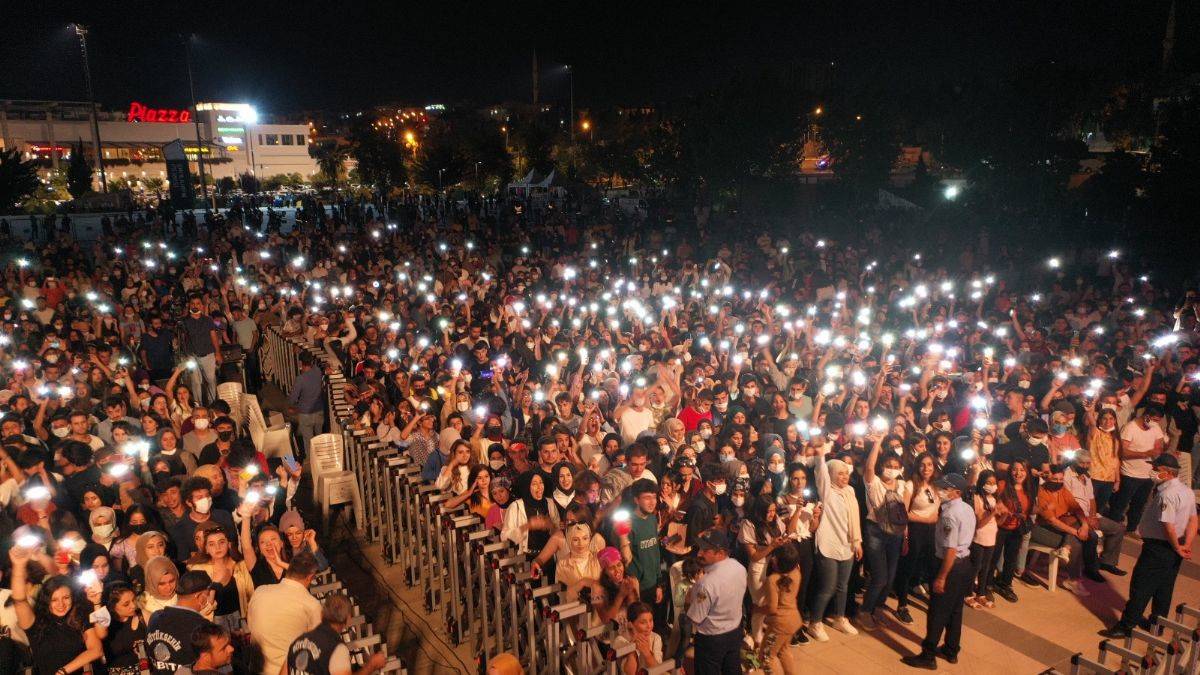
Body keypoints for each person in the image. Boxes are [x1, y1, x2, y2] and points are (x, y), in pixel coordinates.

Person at [1100, 454, 1198, 638]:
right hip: (1175, 546)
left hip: (1159, 547)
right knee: (1164, 587)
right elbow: (1194, 520)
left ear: (1167, 472)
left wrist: (1177, 547)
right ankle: (1157, 624)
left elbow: (1168, 525)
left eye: (1155, 469)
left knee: (1141, 586)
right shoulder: (1187, 491)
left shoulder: (1167, 494)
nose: (1152, 471)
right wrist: (1185, 544)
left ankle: (1126, 626)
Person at [901, 472, 976, 670]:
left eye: (945, 488)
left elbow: (950, 549)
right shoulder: (967, 508)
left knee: (937, 612)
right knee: (955, 610)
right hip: (964, 564)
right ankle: (951, 650)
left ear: (957, 492)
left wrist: (941, 577)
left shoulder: (949, 515)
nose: (940, 490)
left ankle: (928, 656)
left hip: (950, 566)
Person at [9, 544, 104, 675]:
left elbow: (96, 650)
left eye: (66, 598)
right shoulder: (35, 623)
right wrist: (18, 566)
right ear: (46, 600)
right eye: (54, 600)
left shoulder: (78, 617)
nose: (61, 604)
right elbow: (19, 601)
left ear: (73, 597)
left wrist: (63, 671)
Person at [246, 549, 322, 675]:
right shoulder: (311, 605)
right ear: (310, 577)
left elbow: (251, 625)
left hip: (257, 669)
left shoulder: (260, 591)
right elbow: (316, 647)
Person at [686, 530, 747, 675]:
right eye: (700, 548)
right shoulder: (739, 567)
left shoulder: (706, 584)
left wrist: (690, 596)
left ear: (720, 553)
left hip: (711, 641)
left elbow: (695, 617)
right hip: (735, 633)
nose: (699, 553)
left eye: (705, 550)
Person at [282, 594, 387, 675]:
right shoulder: (336, 649)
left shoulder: (298, 641)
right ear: (348, 619)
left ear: (322, 614)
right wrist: (372, 665)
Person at [144, 571, 218, 674]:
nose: (209, 598)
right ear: (200, 597)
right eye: (208, 594)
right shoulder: (203, 627)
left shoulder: (155, 618)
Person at [759, 543, 802, 675]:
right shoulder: (796, 571)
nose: (772, 559)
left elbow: (772, 608)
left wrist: (757, 609)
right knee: (783, 650)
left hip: (779, 626)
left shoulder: (772, 580)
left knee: (766, 657)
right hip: (794, 620)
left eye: (776, 557)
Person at [288, 351, 326, 454]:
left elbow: (293, 398)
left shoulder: (300, 379)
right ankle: (321, 456)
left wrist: (292, 407)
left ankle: (310, 460)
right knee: (319, 437)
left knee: (308, 441)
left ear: (300, 363)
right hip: (319, 411)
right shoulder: (318, 371)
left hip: (305, 414)